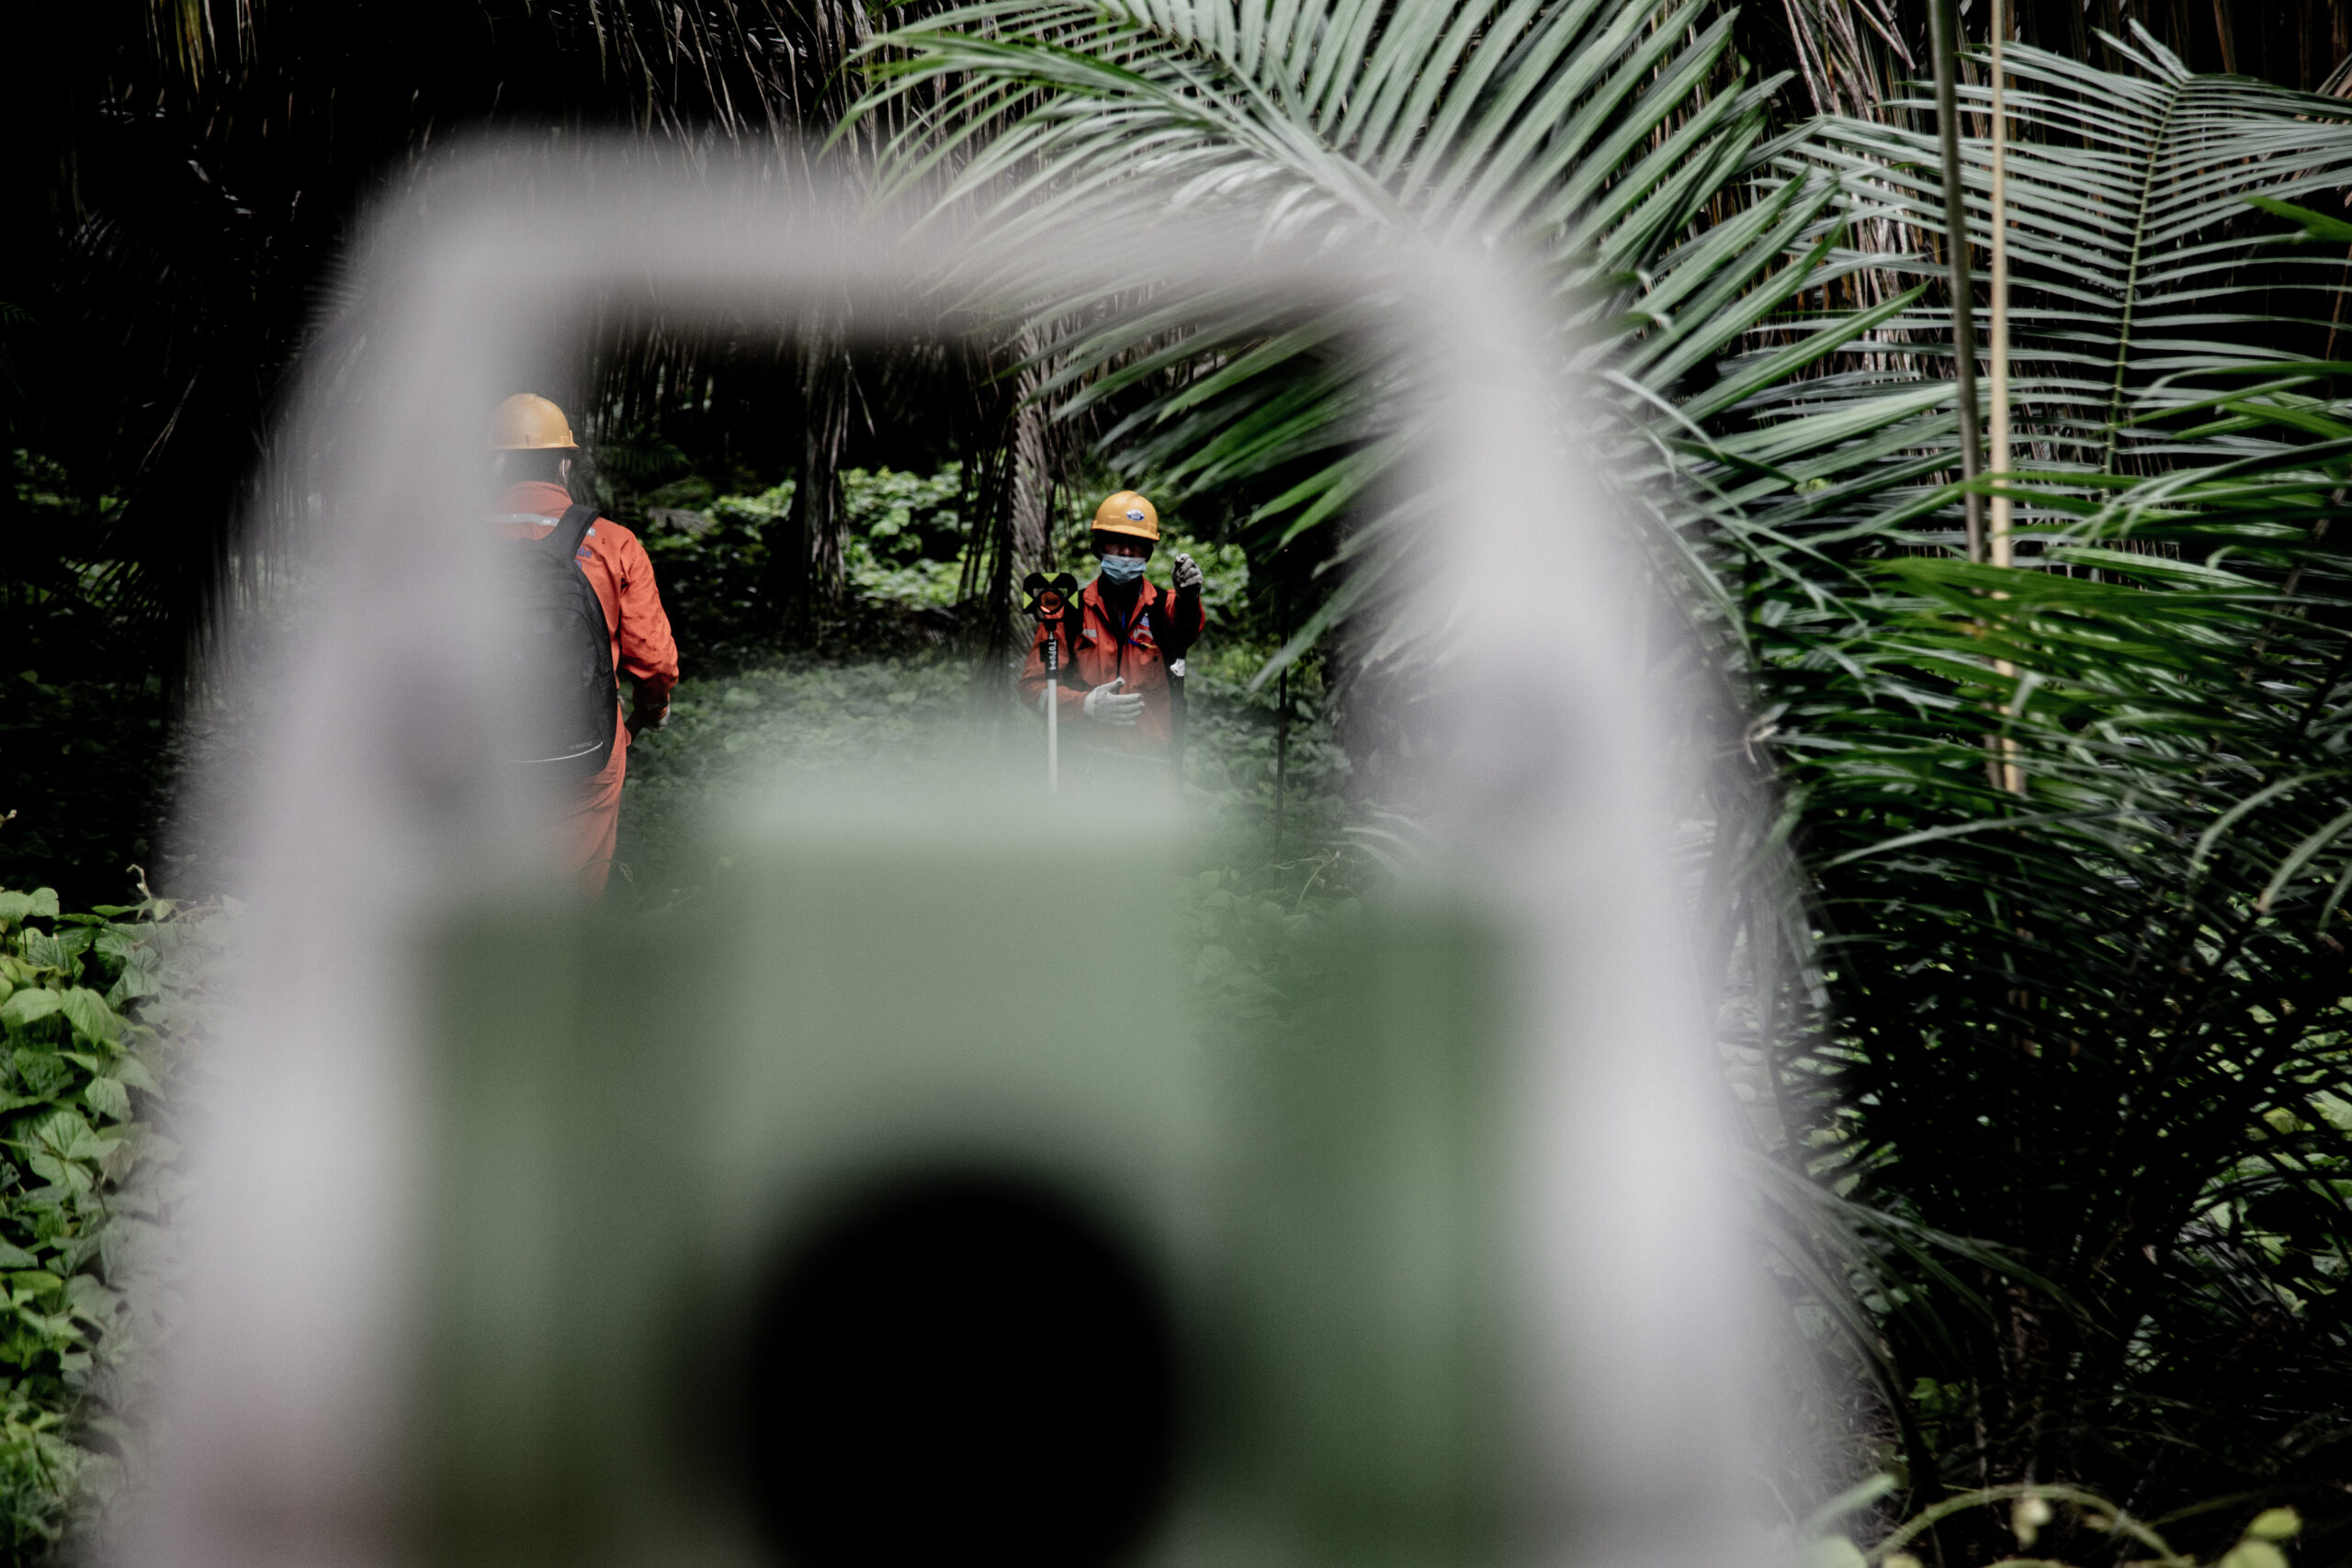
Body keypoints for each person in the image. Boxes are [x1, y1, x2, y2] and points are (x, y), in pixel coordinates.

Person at [490, 393, 679, 895]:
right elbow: (654, 659)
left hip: (483, 747)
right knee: (575, 885)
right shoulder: (612, 542)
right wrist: (654, 709)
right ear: (565, 463)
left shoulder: (454, 546)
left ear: (497, 463)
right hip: (587, 746)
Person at [1019, 491, 1205, 773]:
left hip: (1151, 772)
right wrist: (1084, 705)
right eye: (1117, 541)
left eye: (1137, 543)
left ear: (1149, 552)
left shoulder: (1164, 608)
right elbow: (1032, 688)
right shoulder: (1068, 614)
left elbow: (1186, 628)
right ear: (1098, 549)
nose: (1126, 552)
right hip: (1083, 769)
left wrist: (1188, 599)